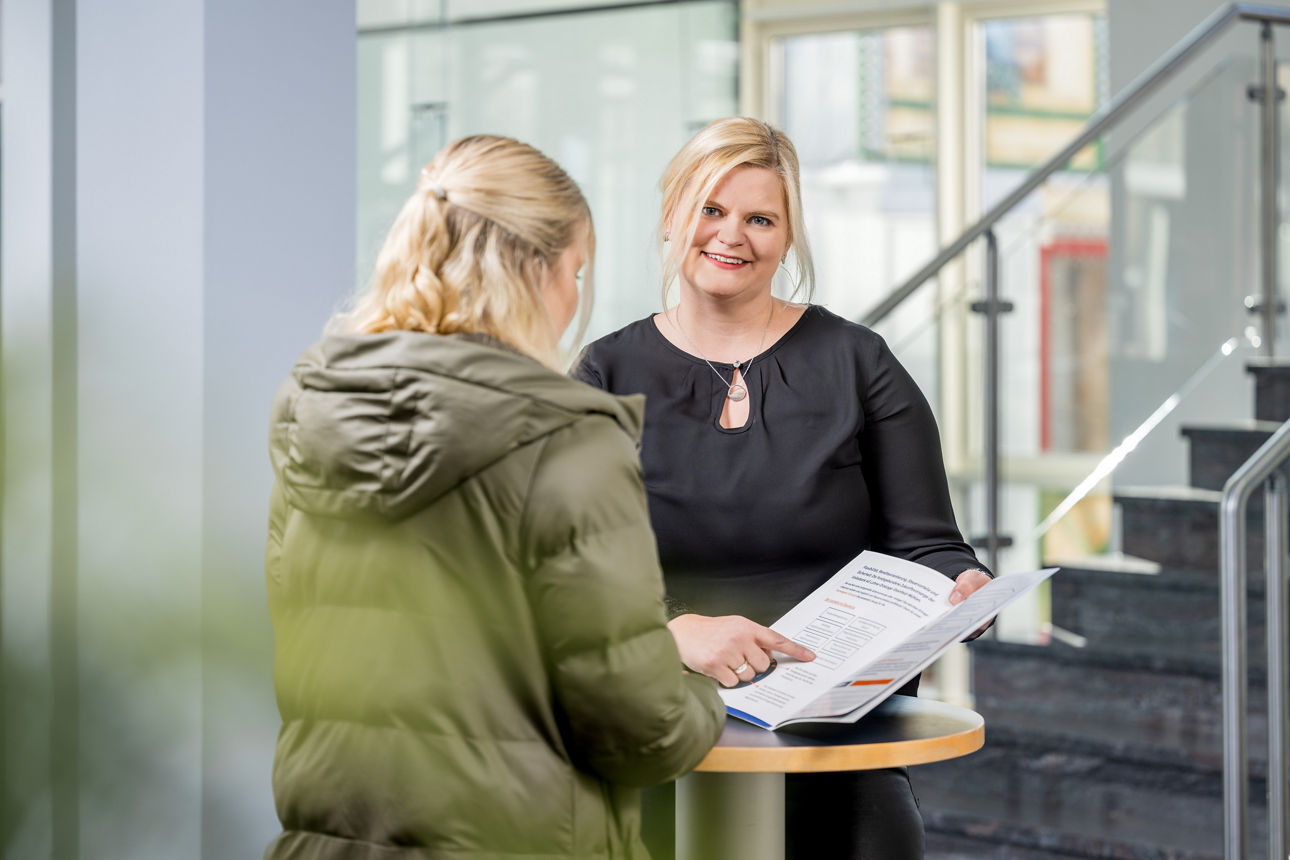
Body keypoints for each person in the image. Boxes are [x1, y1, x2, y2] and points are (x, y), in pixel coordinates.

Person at [264, 134, 725, 859]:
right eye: (577, 271)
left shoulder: (316, 414)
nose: (576, 298)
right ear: (537, 274)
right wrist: (695, 684)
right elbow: (642, 733)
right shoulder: (566, 441)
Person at [573, 117, 993, 859]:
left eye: (760, 218)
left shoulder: (858, 361)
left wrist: (962, 585)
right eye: (711, 209)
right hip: (658, 735)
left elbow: (927, 543)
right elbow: (569, 580)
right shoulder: (605, 375)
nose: (732, 234)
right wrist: (675, 631)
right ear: (673, 215)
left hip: (835, 742)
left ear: (788, 237)